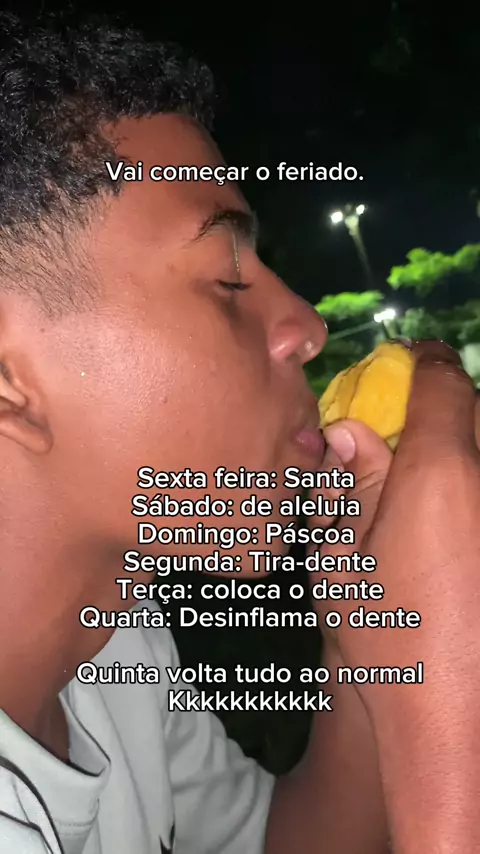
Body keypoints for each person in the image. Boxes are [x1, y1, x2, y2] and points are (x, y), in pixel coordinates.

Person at [0, 10, 479, 854]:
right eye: (228, 280)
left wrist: (370, 642)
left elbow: (267, 843)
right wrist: (452, 728)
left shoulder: (111, 635)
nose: (307, 328)